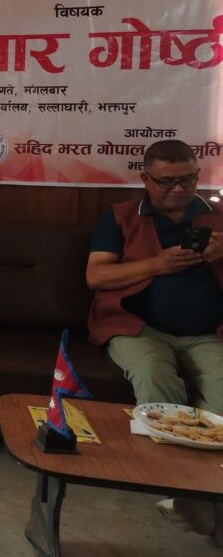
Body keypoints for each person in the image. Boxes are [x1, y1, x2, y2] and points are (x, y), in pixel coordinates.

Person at [87, 139, 223, 545]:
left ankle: (204, 491)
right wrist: (157, 265)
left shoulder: (217, 217)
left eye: (187, 180)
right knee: (154, 377)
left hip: (208, 333)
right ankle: (178, 487)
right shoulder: (120, 216)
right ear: (146, 178)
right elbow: (96, 277)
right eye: (166, 182)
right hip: (138, 326)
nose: (178, 189)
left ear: (198, 175)